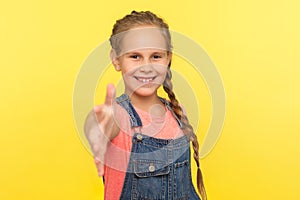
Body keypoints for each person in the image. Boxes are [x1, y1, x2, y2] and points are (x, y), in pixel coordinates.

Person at [84, 10, 207, 200]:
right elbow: (100, 124)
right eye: (135, 56)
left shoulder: (178, 112)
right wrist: (98, 126)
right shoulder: (119, 116)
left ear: (168, 59)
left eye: (156, 56)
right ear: (116, 59)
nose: (146, 66)